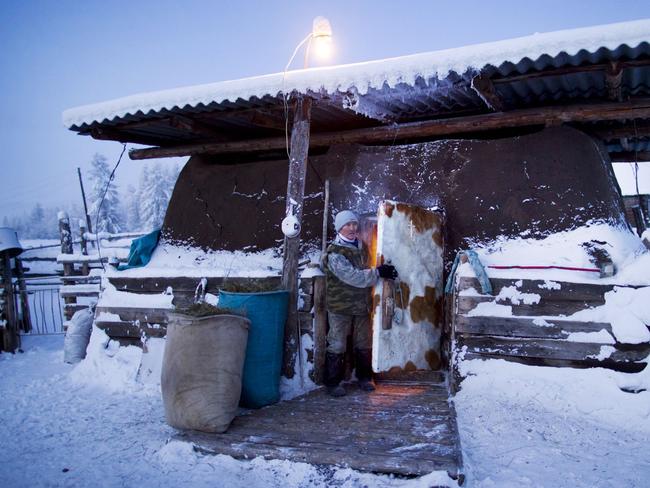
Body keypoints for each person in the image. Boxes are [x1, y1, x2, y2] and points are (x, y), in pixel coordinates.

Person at [321, 210, 398, 397]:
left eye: (354, 224)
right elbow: (354, 277)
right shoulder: (334, 253)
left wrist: (382, 270)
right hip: (340, 306)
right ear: (340, 228)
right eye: (347, 225)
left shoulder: (362, 246)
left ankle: (364, 378)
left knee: (364, 342)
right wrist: (378, 272)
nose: (352, 228)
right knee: (337, 343)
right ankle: (332, 383)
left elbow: (367, 268)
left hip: (362, 304)